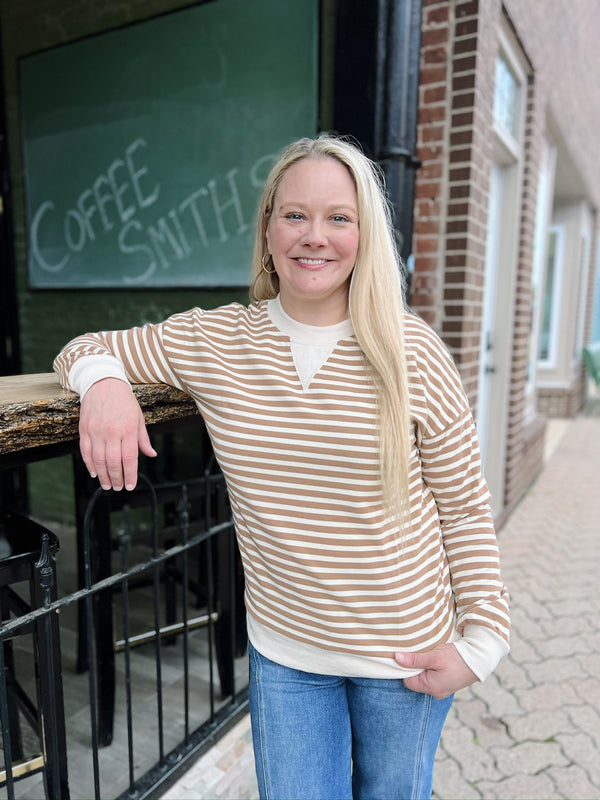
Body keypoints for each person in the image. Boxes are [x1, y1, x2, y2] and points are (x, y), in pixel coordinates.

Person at [54, 134, 510, 800]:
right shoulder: (218, 340)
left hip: (406, 657)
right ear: (268, 229)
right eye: (294, 215)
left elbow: (465, 504)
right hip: (287, 658)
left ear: (364, 234)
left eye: (339, 217)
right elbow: (83, 348)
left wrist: (484, 640)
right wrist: (105, 387)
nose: (314, 236)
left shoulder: (411, 350)